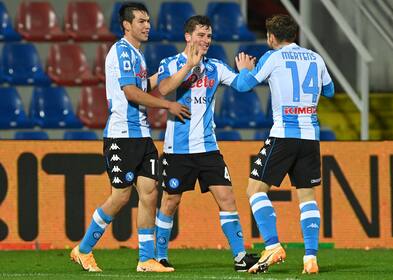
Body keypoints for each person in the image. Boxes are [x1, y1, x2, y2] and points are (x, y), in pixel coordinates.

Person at [70, 2, 190, 273]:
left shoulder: (136, 54)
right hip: (121, 136)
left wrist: (166, 74)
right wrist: (168, 105)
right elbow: (131, 93)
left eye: (148, 20)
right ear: (126, 25)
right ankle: (84, 249)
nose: (147, 25)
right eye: (140, 21)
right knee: (121, 197)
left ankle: (146, 259)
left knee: (149, 193)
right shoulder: (122, 51)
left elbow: (141, 86)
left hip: (142, 136)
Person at [153, 15, 258, 272]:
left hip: (208, 149)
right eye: (201, 35)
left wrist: (246, 72)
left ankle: (240, 257)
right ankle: (159, 257)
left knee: (227, 198)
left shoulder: (216, 67)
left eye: (209, 36)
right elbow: (164, 89)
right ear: (188, 37)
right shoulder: (171, 63)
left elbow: (242, 86)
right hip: (178, 150)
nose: (206, 40)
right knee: (170, 201)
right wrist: (189, 65)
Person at [234, 15, 335, 274]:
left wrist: (245, 69)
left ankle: (273, 245)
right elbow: (331, 91)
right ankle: (310, 258)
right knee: (307, 197)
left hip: (284, 134)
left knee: (255, 190)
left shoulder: (273, 57)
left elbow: (244, 86)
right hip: (310, 136)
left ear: (271, 37)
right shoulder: (316, 58)